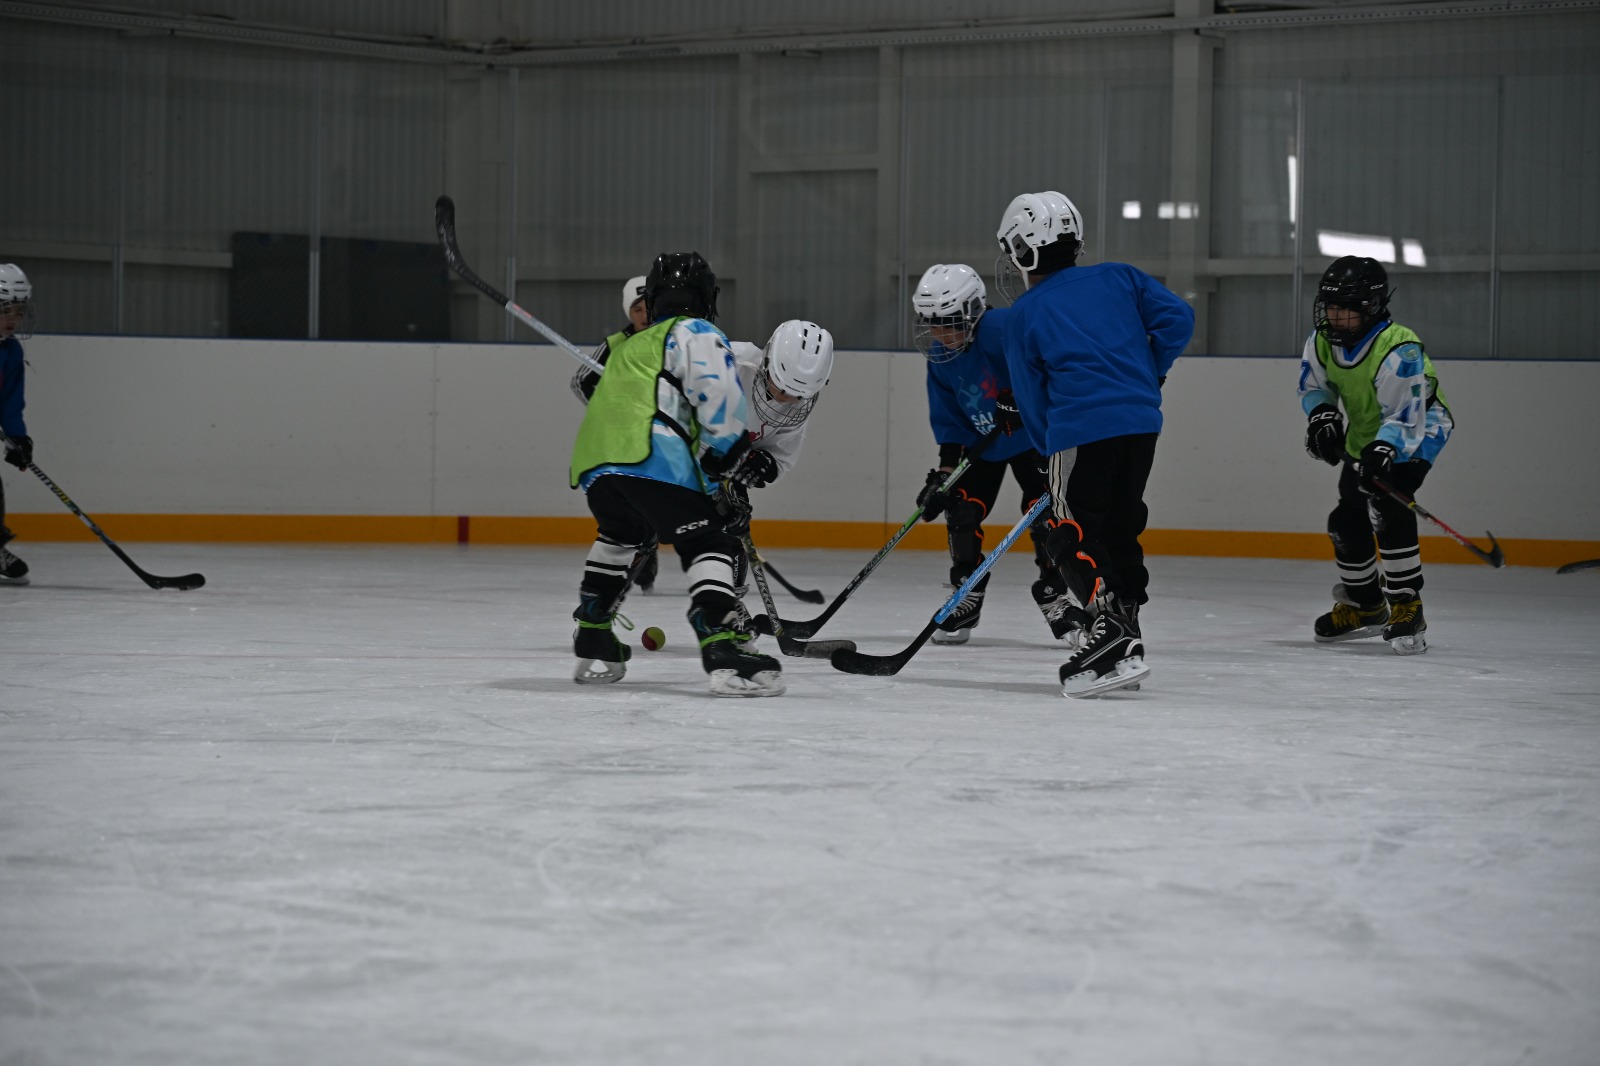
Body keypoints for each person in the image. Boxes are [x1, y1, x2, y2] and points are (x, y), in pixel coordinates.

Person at [997, 191, 1194, 697]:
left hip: (1078, 431)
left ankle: (1108, 634)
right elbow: (1178, 321)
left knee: (1069, 532)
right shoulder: (1120, 276)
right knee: (1121, 524)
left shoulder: (1024, 313)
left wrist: (1046, 452)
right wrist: (1150, 373)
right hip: (1140, 424)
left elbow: (1032, 394)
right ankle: (1125, 628)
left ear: (1023, 250)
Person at [567, 251, 784, 697]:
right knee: (709, 540)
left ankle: (592, 629)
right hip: (651, 457)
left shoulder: (630, 345)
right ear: (707, 298)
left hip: (596, 463)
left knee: (620, 537)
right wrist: (726, 458)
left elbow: (597, 393)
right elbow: (717, 397)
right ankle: (721, 641)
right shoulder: (698, 332)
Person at [909, 263, 1084, 647]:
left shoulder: (1005, 329)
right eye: (932, 322)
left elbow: (1051, 368)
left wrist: (1027, 403)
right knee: (960, 507)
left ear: (973, 311)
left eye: (949, 321)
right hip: (983, 440)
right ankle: (967, 594)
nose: (940, 333)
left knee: (1046, 511)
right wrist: (944, 472)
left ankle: (1056, 593)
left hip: (1033, 437)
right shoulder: (941, 356)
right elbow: (950, 419)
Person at [1299, 255, 1451, 655]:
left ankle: (1406, 604)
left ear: (1370, 306)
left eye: (1344, 309)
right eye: (1330, 307)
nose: (1334, 316)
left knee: (1386, 505)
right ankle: (1367, 606)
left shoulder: (1399, 347)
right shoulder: (1321, 342)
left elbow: (1405, 414)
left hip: (1418, 432)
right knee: (1345, 522)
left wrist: (1385, 449)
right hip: (1366, 435)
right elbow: (1314, 385)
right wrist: (1321, 415)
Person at [717, 318, 835, 627]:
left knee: (735, 515)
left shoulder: (799, 401)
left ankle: (727, 602)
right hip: (679, 459)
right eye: (780, 389)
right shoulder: (728, 360)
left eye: (797, 396)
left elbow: (782, 456)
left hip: (722, 469)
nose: (785, 401)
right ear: (766, 363)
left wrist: (764, 464)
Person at [573, 276, 662, 592]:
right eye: (637, 308)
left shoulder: (670, 342)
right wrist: (610, 412)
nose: (644, 314)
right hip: (622, 442)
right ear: (629, 312)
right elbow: (581, 383)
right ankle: (636, 555)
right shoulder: (613, 346)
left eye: (649, 306)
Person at [1, 263, 35, 586]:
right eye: (6, 310)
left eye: (19, 311)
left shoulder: (11, 351)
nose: (14, 319)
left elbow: (10, 404)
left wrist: (18, 440)